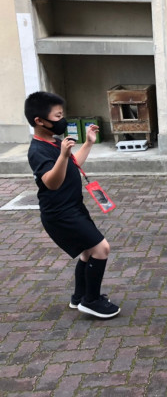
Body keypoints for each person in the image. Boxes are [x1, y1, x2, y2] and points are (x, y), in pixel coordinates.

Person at [25, 91, 120, 319]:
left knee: (87, 252)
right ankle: (91, 301)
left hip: (73, 207)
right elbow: (52, 182)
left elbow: (72, 164)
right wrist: (62, 156)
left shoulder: (54, 141)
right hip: (60, 214)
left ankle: (79, 297)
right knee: (101, 249)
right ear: (39, 120)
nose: (63, 120)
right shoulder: (37, 150)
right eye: (58, 116)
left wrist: (88, 143)